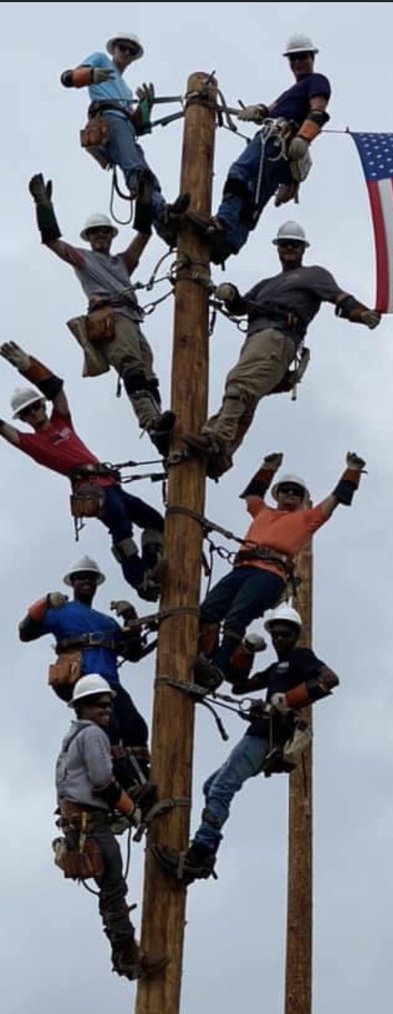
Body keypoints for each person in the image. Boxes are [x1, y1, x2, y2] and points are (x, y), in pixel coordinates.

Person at [153, 603, 338, 884]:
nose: (279, 639)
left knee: (221, 788)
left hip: (268, 736)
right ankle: (207, 851)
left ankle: (199, 852)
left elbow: (329, 679)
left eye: (285, 634)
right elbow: (239, 686)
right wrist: (245, 651)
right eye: (276, 634)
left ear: (296, 635)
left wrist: (286, 701)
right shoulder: (276, 668)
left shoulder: (301, 657)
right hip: (260, 732)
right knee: (211, 786)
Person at [181, 221, 380, 480]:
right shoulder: (267, 284)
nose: (289, 248)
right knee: (246, 400)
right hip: (257, 338)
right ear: (277, 248)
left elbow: (341, 299)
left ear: (303, 249)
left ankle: (216, 439)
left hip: (278, 337)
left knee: (240, 383)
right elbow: (242, 307)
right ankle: (221, 456)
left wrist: (363, 314)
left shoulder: (313, 275)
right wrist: (230, 294)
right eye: (285, 244)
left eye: (294, 245)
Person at [0, 341, 166, 601]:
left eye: (35, 407)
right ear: (22, 419)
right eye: (26, 413)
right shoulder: (33, 443)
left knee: (156, 521)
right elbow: (4, 430)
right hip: (93, 491)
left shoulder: (61, 422)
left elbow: (57, 391)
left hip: (112, 485)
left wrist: (28, 366)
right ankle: (141, 581)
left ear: (42, 405)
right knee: (121, 527)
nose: (33, 413)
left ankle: (153, 564)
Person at [193, 450, 366, 690]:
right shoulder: (262, 512)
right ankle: (199, 660)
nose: (290, 494)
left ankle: (216, 670)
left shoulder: (307, 519)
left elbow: (335, 499)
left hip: (270, 574)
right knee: (206, 613)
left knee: (236, 619)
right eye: (286, 490)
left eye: (296, 492)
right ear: (278, 494)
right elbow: (252, 494)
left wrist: (352, 471)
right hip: (242, 569)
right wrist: (268, 468)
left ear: (302, 498)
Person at [28, 174, 175, 453]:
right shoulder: (84, 259)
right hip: (111, 318)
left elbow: (143, 235)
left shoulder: (122, 262)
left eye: (104, 232)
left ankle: (160, 429)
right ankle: (151, 422)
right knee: (132, 368)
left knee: (148, 375)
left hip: (133, 320)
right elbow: (53, 242)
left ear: (110, 235)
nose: (100, 236)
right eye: (94, 232)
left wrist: (144, 201)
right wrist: (43, 206)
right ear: (88, 237)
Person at [54, 673, 167, 981]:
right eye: (98, 705)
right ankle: (128, 955)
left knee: (111, 887)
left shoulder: (74, 736)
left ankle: (125, 953)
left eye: (107, 705)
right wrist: (133, 811)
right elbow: (103, 782)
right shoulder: (92, 735)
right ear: (82, 708)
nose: (105, 710)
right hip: (90, 822)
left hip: (81, 822)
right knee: (114, 886)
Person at [186, 34, 331, 263]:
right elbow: (271, 108)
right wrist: (258, 111)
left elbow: (318, 111)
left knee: (240, 172)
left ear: (312, 57)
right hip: (281, 150)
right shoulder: (292, 92)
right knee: (254, 198)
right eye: (293, 59)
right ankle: (230, 242)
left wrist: (304, 138)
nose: (297, 63)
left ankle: (224, 223)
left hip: (276, 140)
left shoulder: (317, 81)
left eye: (302, 57)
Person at [19, 555, 155, 791]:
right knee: (109, 727)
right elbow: (25, 632)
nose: (87, 582)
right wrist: (46, 601)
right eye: (81, 578)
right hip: (83, 680)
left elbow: (133, 654)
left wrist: (131, 619)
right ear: (72, 582)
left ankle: (141, 778)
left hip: (110, 683)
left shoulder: (108, 623)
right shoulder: (61, 612)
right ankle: (126, 784)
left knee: (135, 727)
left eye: (91, 578)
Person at [59, 33, 188, 246]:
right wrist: (90, 75)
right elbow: (68, 78)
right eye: (122, 48)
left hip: (126, 129)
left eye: (131, 50)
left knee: (144, 175)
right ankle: (162, 214)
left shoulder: (126, 91)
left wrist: (146, 105)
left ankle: (164, 221)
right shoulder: (101, 59)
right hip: (109, 122)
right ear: (114, 49)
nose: (126, 52)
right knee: (135, 170)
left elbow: (139, 126)